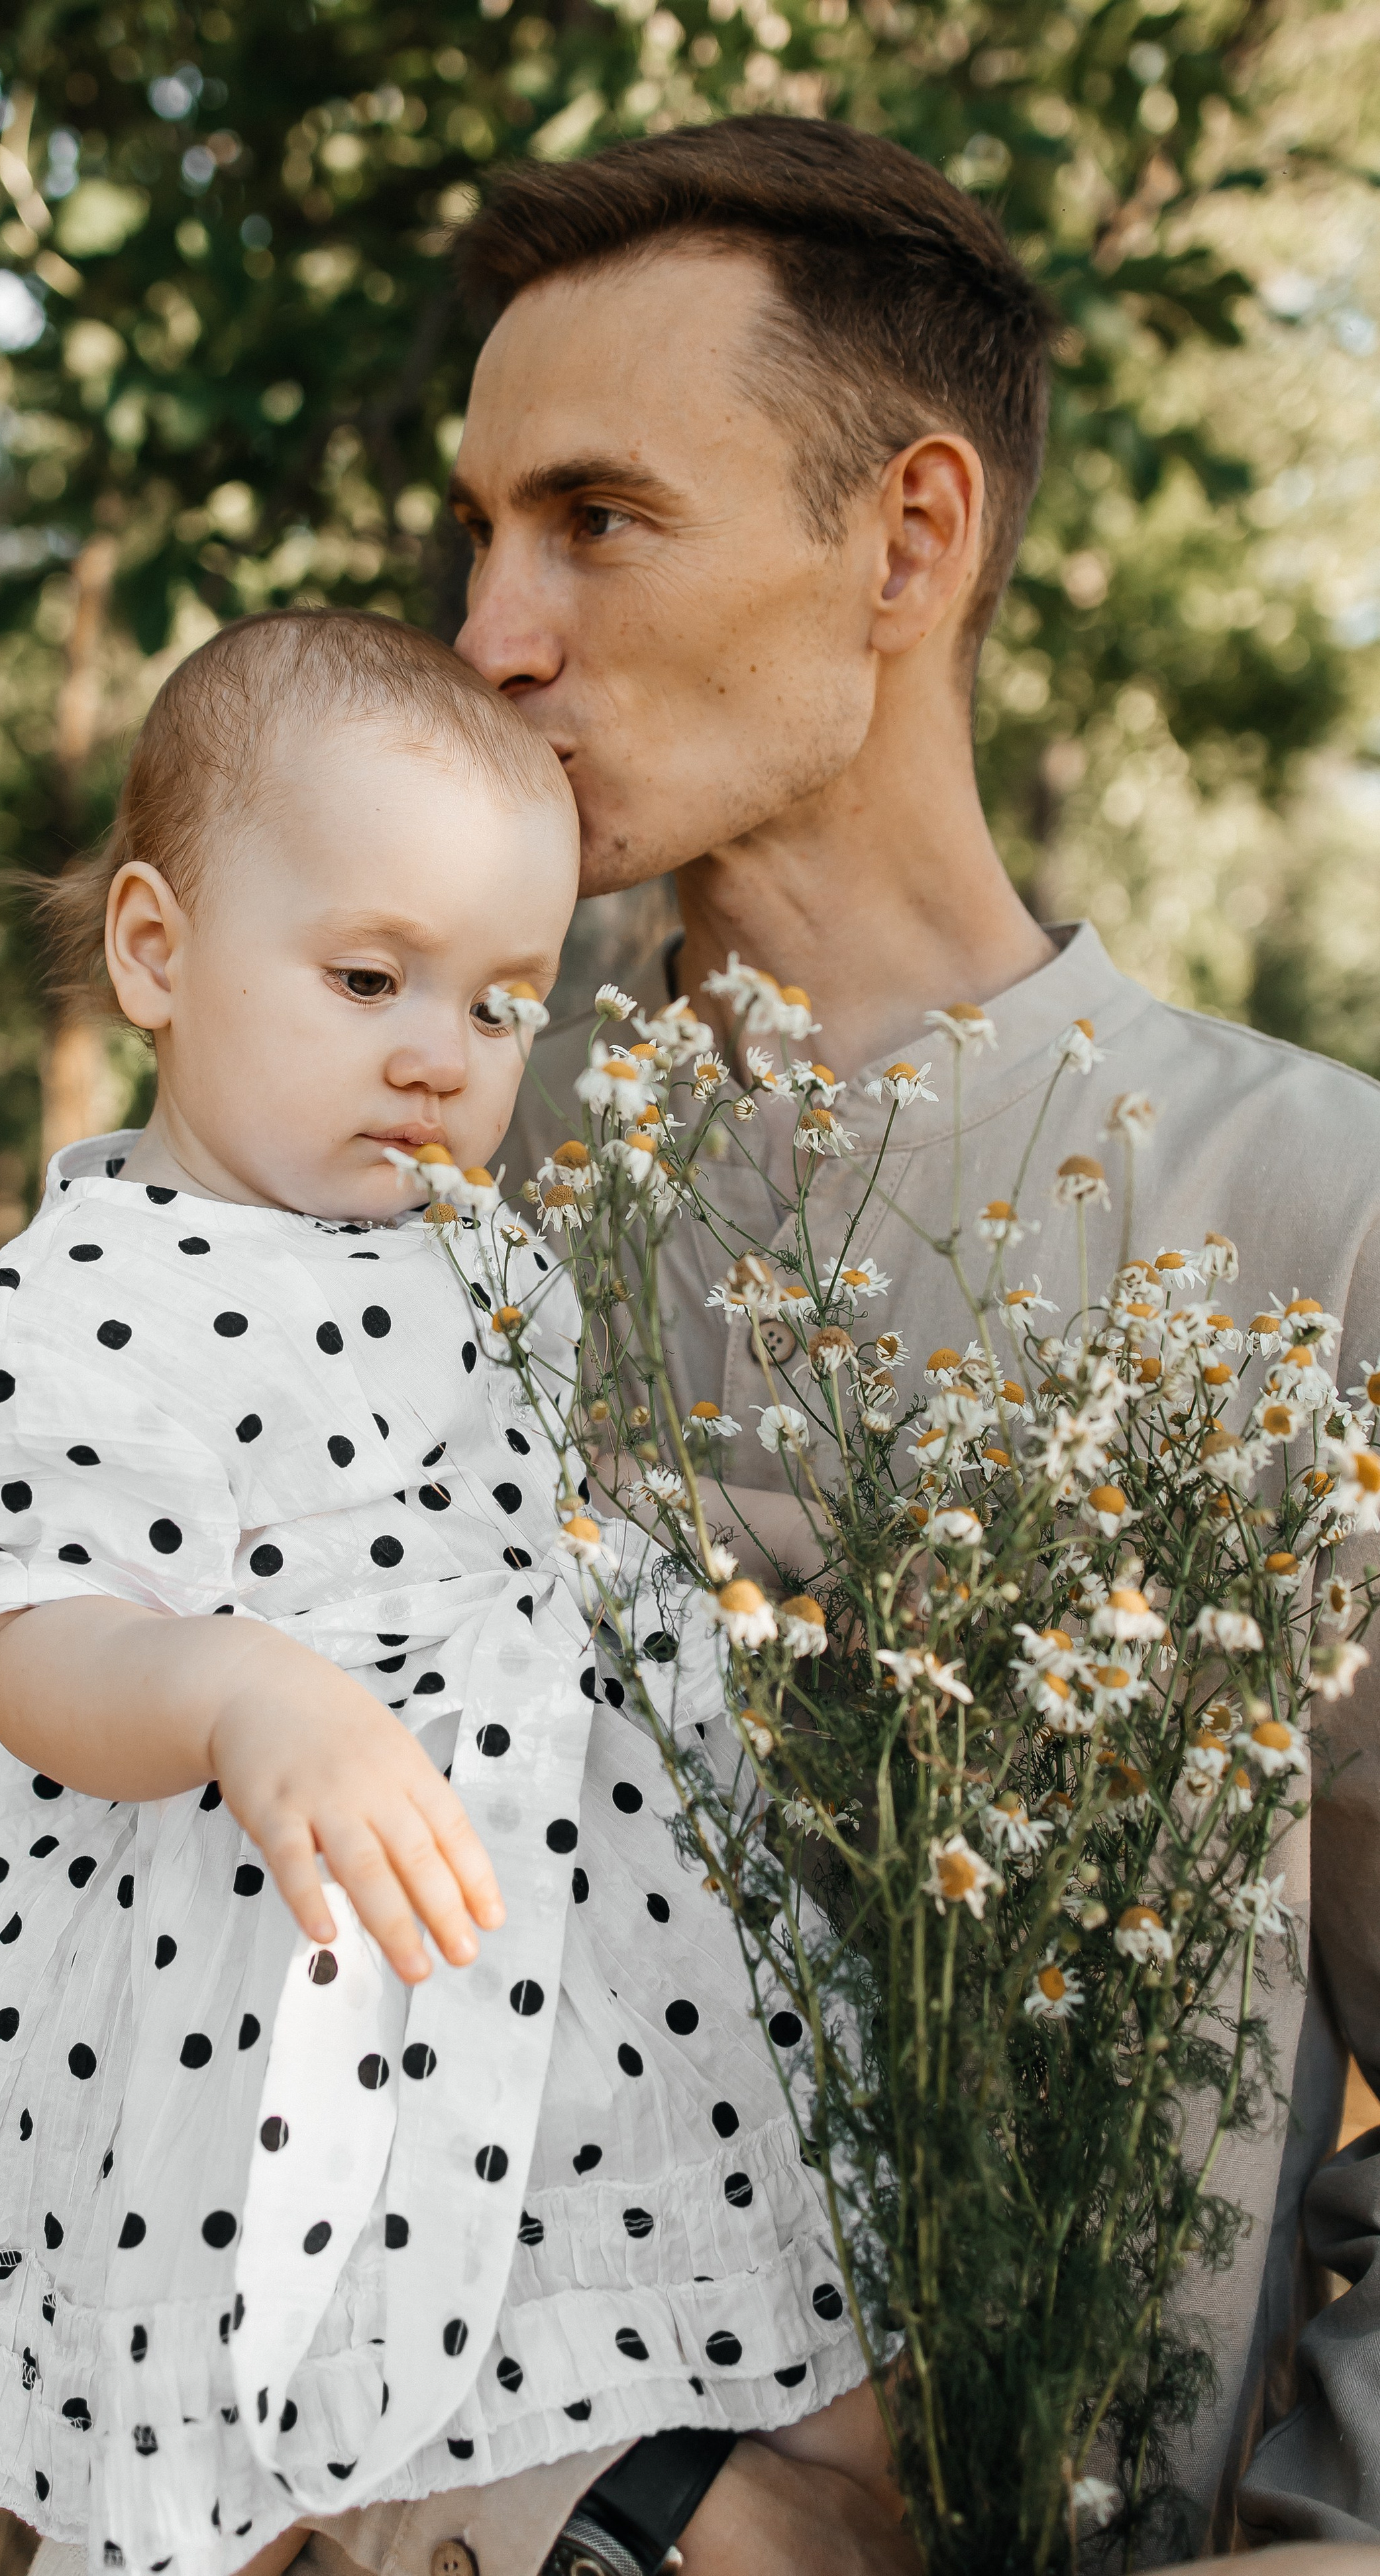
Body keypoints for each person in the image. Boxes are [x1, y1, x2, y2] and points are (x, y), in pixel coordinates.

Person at [0, 608, 909, 2576]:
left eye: (495, 1004)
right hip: (246, 1956)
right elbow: (33, 1643)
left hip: (547, 1916)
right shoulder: (100, 1292)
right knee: (267, 2395)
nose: (435, 1054)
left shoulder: (475, 1254)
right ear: (156, 952)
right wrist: (233, 1693)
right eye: (370, 974)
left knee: (738, 2325)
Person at [455, 115, 1380, 2562]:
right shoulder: (416, 1181)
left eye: (596, 519)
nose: (492, 636)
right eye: (480, 532)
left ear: (910, 536)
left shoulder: (1312, 1220)